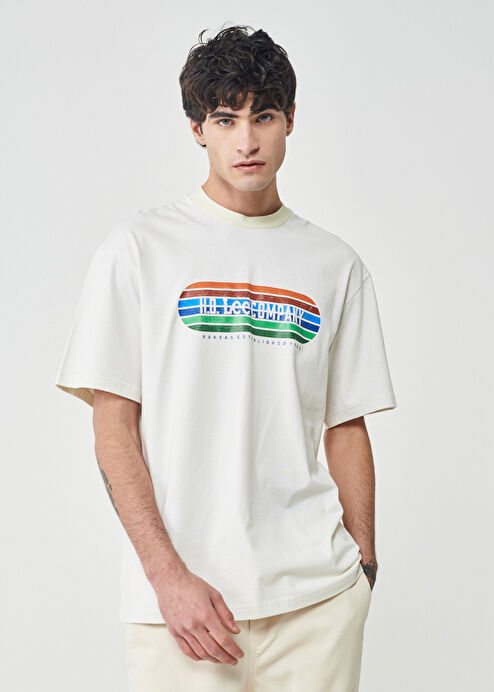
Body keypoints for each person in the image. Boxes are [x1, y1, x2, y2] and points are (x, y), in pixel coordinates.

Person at [55, 24, 398, 692]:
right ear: (197, 129)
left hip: (317, 601)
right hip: (183, 607)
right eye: (225, 118)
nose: (246, 141)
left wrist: (362, 571)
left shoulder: (335, 265)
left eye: (263, 116)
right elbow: (112, 426)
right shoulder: (138, 250)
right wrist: (166, 578)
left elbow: (346, 424)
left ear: (290, 120)